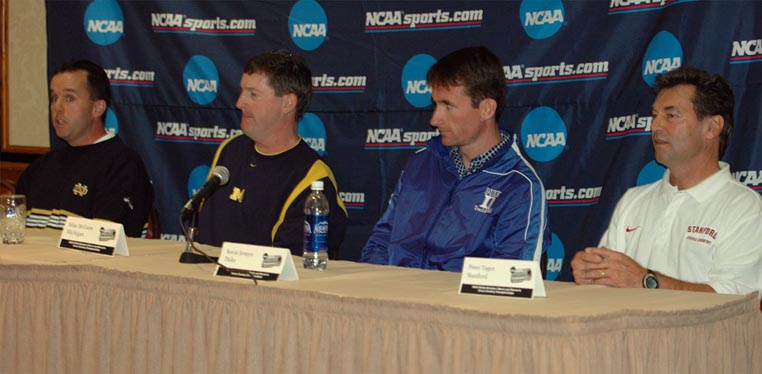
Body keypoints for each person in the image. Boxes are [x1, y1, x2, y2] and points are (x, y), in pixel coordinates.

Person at [571, 66, 762, 299]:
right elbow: (608, 283)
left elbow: (737, 299)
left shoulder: (744, 207)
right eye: (654, 115)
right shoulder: (634, 200)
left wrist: (647, 281)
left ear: (711, 127)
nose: (656, 126)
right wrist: (593, 273)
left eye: (671, 115)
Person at [360, 46, 551, 272]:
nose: (434, 119)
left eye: (448, 106)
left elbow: (511, 279)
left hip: (457, 305)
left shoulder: (519, 186)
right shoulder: (420, 163)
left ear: (486, 109)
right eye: (435, 104)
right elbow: (382, 239)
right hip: (396, 299)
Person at [196, 50, 348, 258]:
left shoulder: (312, 177)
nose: (239, 103)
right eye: (242, 92)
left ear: (287, 103)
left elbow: (292, 265)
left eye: (253, 94)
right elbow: (201, 231)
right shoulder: (230, 149)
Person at [15, 60, 154, 238]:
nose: (57, 107)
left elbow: (105, 239)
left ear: (97, 108)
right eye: (54, 98)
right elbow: (12, 231)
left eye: (69, 98)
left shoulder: (122, 166)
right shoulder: (39, 168)